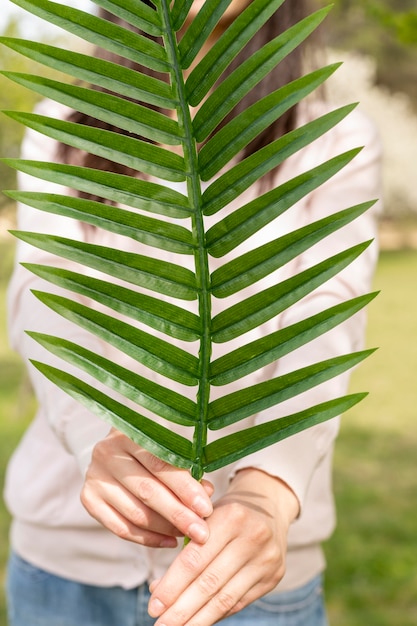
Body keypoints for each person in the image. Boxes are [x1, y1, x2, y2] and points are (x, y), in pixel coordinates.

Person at [4, 1, 382, 625]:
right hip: (66, 569)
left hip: (247, 567)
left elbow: (326, 315)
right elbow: (45, 309)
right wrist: (94, 437)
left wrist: (269, 488)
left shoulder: (332, 136)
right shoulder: (64, 123)